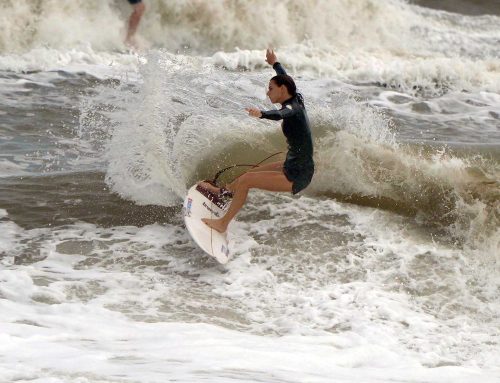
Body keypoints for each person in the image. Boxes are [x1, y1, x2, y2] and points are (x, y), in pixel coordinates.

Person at [200, 49, 315, 233]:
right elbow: (284, 77)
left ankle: (222, 224)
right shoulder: (296, 96)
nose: (268, 93)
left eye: (271, 89)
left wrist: (262, 114)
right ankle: (224, 193)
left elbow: (280, 114)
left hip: (298, 175)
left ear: (282, 90)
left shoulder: (292, 108)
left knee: (246, 180)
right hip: (295, 163)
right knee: (252, 172)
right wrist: (275, 63)